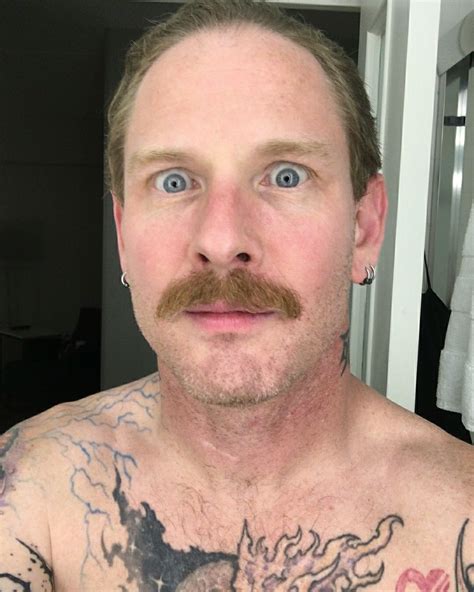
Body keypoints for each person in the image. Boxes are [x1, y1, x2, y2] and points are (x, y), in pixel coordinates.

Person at [0, 0, 472, 590]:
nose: (222, 242)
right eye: (174, 181)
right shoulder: (29, 490)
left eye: (286, 175)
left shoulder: (461, 515)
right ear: (123, 237)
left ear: (364, 227)